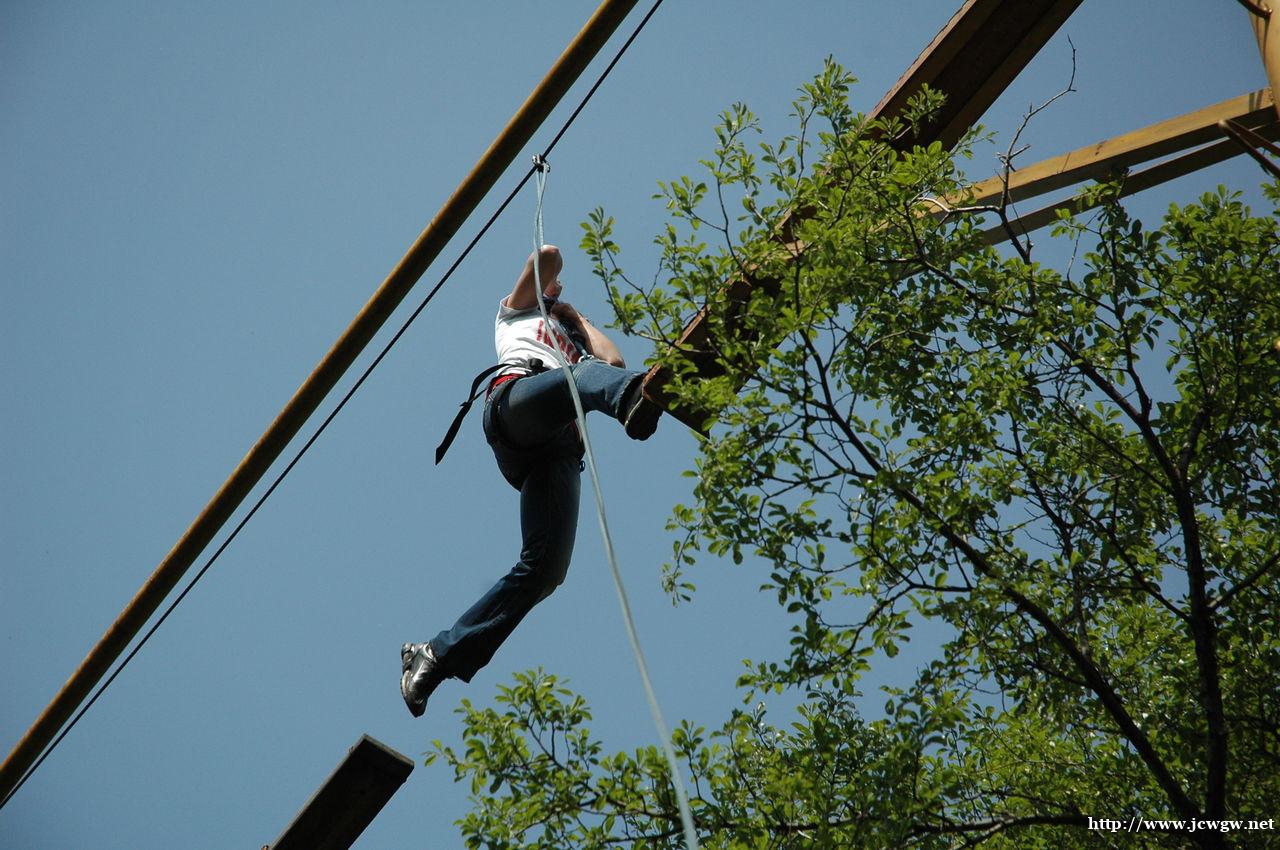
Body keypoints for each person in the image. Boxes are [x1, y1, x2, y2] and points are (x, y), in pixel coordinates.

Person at [400, 244, 660, 717]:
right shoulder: (514, 314)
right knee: (587, 378)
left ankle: (436, 656)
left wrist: (575, 319)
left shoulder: (574, 343)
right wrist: (548, 292)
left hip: (558, 448)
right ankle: (631, 402)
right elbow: (549, 254)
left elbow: (614, 362)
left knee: (545, 571)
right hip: (517, 404)